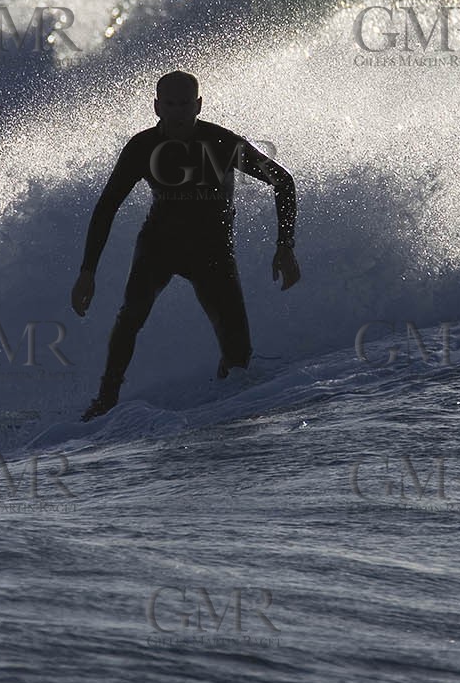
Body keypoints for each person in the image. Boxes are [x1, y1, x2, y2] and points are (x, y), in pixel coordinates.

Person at [70, 70, 301, 421]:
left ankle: (225, 411)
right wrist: (87, 272)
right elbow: (107, 207)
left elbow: (283, 181)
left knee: (239, 355)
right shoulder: (142, 147)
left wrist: (284, 245)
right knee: (130, 317)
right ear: (157, 106)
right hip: (159, 247)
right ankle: (105, 401)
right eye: (170, 105)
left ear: (198, 105)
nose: (178, 113)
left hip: (213, 253)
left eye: (185, 105)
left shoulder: (222, 143)